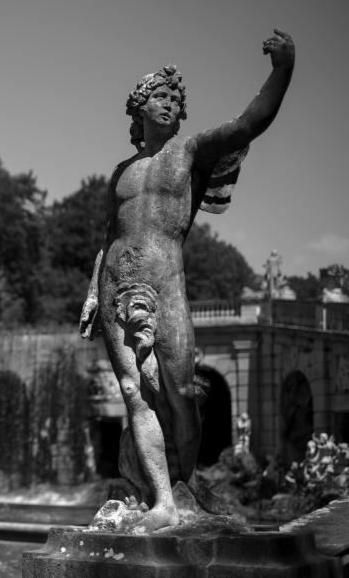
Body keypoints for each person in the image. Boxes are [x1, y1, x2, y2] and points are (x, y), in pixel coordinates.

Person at [79, 29, 294, 531]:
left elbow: (248, 124)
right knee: (134, 391)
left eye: (176, 99)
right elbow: (108, 235)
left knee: (179, 391)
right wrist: (92, 290)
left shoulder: (190, 152)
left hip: (164, 278)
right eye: (160, 96)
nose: (170, 104)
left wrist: (282, 71)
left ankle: (184, 477)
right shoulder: (121, 172)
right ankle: (162, 502)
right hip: (116, 281)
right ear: (139, 108)